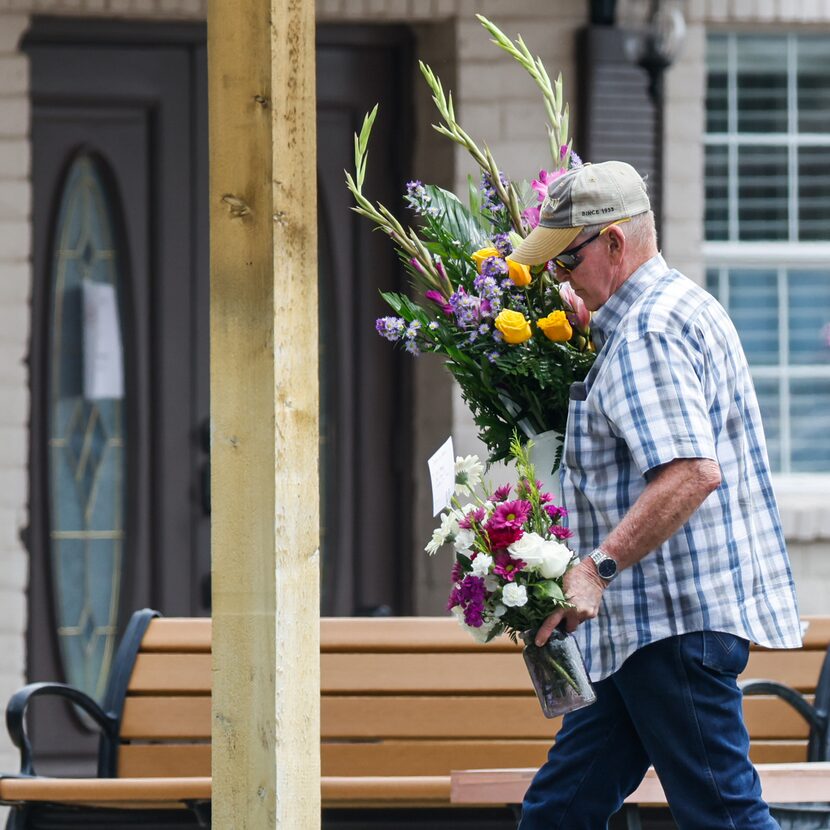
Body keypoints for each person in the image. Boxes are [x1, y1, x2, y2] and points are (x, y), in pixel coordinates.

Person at [507, 160, 802, 829]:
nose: (558, 277)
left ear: (614, 242)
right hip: (650, 628)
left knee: (724, 816)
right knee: (557, 814)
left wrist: (596, 566)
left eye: (567, 259)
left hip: (671, 627)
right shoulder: (675, 308)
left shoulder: (646, 332)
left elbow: (691, 472)